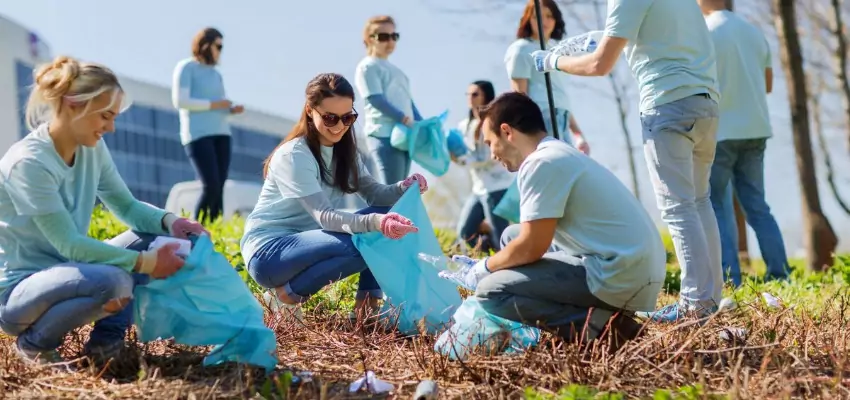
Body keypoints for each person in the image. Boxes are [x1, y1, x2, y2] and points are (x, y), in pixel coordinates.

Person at [0, 56, 207, 368]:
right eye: (105, 116)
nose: (110, 128)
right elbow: (69, 244)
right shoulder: (29, 163)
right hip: (19, 293)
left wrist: (172, 222)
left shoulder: (92, 149)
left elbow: (126, 206)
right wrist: (147, 263)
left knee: (166, 240)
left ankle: (105, 348)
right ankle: (35, 345)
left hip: (72, 271)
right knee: (115, 282)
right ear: (73, 105)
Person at [532, 0, 723, 322]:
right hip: (705, 103)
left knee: (678, 207)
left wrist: (553, 61)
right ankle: (708, 300)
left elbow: (599, 64)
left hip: (667, 105)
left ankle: (694, 306)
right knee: (699, 201)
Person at [447, 92, 666, 342]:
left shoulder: (541, 163)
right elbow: (527, 239)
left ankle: (606, 329)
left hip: (619, 273)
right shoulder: (556, 152)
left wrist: (484, 267)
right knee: (511, 236)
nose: (492, 154)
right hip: (631, 265)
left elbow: (532, 246)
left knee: (492, 292)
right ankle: (596, 315)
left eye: (490, 143)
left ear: (507, 132)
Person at [240, 73, 427, 322]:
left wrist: (403, 188)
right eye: (330, 118)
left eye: (347, 118)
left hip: (309, 244)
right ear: (310, 111)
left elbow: (375, 194)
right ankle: (284, 296)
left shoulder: (344, 152)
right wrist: (376, 223)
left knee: (385, 219)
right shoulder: (295, 155)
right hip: (269, 254)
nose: (339, 126)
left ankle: (366, 310)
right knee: (366, 241)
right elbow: (325, 217)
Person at [698, 0, 789, 287]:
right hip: (756, 129)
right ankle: (780, 275)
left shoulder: (703, 33)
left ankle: (731, 280)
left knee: (717, 205)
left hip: (721, 131)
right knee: (757, 206)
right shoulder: (754, 32)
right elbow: (768, 85)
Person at [171, 27, 244, 223]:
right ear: (205, 45)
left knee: (219, 186)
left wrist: (230, 109)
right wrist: (215, 104)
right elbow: (181, 101)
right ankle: (196, 229)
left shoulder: (216, 74)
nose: (220, 51)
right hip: (198, 135)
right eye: (218, 46)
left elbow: (219, 104)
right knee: (210, 185)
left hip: (222, 133)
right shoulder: (186, 67)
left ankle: (215, 231)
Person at [504, 0, 589, 154]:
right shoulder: (521, 49)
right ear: (528, 19)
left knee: (566, 164)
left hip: (561, 118)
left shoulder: (557, 51)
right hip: (541, 118)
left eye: (549, 16)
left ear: (556, 20)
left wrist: (578, 134)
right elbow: (519, 97)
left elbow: (559, 97)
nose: (544, 21)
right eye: (537, 16)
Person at [354, 15, 423, 184]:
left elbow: (408, 103)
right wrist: (402, 117)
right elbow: (375, 99)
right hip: (383, 134)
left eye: (394, 36)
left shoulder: (398, 72)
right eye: (383, 36)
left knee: (401, 190)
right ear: (370, 39)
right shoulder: (368, 66)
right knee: (392, 189)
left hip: (404, 135)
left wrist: (422, 124)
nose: (390, 41)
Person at [453, 80, 514, 252]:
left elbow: (491, 155)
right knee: (465, 232)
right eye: (468, 94)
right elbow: (462, 152)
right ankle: (491, 258)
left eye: (475, 94)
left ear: (486, 96)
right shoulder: (464, 125)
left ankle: (507, 261)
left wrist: (464, 160)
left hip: (497, 186)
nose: (470, 98)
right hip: (478, 188)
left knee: (500, 234)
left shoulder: (494, 122)